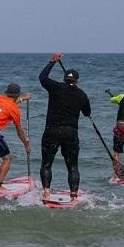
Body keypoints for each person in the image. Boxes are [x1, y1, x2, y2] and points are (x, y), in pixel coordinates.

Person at [39, 53, 91, 202]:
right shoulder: (82, 95)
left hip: (51, 131)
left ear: (64, 79)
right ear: (77, 81)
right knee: (72, 166)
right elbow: (87, 113)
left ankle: (46, 193)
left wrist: (52, 62)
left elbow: (42, 78)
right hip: (70, 133)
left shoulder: (55, 87)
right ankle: (73, 197)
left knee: (47, 164)